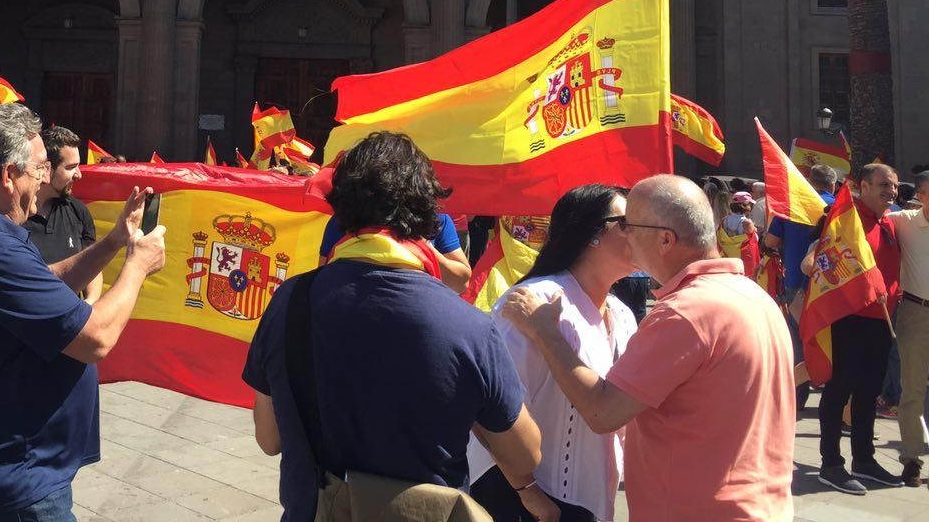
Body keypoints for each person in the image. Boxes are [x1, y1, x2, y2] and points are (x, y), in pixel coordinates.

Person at [244, 131, 544, 522]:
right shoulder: (467, 327)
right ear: (426, 213)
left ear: (341, 210)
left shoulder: (289, 302)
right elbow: (526, 456)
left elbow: (268, 438)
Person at [0, 103, 166, 522]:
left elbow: (45, 284)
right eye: (38, 168)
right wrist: (137, 266)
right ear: (8, 175)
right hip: (12, 485)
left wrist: (113, 242)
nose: (43, 178)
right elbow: (95, 339)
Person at [503, 174, 795, 522]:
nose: (626, 234)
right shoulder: (754, 297)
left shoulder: (685, 313)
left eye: (630, 225)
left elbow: (603, 412)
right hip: (764, 507)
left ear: (665, 240)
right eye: (621, 224)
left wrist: (546, 332)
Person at [466, 184, 637, 522]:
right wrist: (530, 493)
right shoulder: (534, 301)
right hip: (526, 501)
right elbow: (489, 408)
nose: (639, 232)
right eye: (626, 223)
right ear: (592, 234)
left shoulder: (622, 314)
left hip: (589, 498)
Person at [815, 163, 905, 493]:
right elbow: (820, 259)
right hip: (849, 320)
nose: (891, 191)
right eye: (884, 185)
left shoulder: (891, 222)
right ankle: (830, 464)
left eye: (894, 186)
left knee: (869, 392)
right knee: (839, 391)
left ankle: (864, 460)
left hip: (881, 321)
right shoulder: (845, 220)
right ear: (863, 186)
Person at [764, 162, 837, 411]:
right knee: (830, 341)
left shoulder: (791, 205)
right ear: (832, 184)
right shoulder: (839, 207)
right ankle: (837, 400)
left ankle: (796, 398)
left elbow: (770, 241)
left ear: (809, 182)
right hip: (831, 286)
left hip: (796, 284)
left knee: (799, 343)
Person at [317, 204, 472, 292]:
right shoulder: (343, 219)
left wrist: (422, 246)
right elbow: (324, 277)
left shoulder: (435, 218)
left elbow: (461, 283)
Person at [26, 126, 102, 302]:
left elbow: (92, 262)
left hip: (73, 317)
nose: (79, 175)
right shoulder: (15, 215)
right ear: (47, 169)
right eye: (71, 167)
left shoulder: (78, 211)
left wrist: (90, 302)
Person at [894, 172, 929, 485]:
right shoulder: (904, 222)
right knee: (912, 388)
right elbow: (860, 223)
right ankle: (912, 459)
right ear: (920, 196)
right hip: (916, 311)